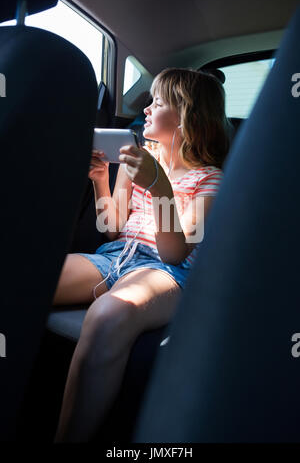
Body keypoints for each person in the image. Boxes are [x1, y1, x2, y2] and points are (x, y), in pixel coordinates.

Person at [54, 68, 229, 442]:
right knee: (29, 280)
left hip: (167, 271)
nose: (146, 109)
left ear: (187, 116)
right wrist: (102, 179)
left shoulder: (210, 179)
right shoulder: (141, 159)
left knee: (109, 314)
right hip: (116, 255)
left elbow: (175, 251)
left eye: (158, 101)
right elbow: (112, 227)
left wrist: (158, 183)